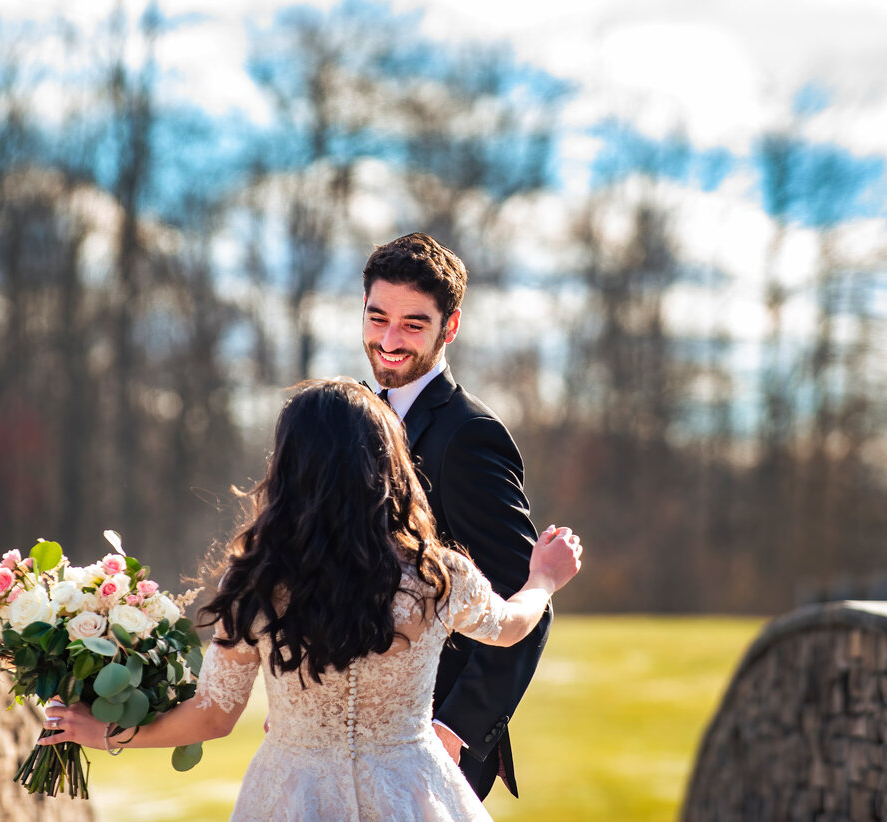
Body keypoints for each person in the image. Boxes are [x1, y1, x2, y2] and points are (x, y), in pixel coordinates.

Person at [41, 379, 582, 821]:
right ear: (388, 464)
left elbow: (211, 718)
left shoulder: (257, 581)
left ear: (289, 468)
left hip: (290, 796)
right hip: (414, 792)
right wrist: (544, 579)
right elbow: (512, 627)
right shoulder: (436, 574)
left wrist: (106, 733)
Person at [360, 232, 545, 799]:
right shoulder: (352, 420)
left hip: (429, 748)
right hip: (351, 735)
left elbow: (521, 600)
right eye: (377, 317)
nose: (390, 340)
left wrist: (454, 731)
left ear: (450, 327)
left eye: (413, 324)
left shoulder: (470, 437)